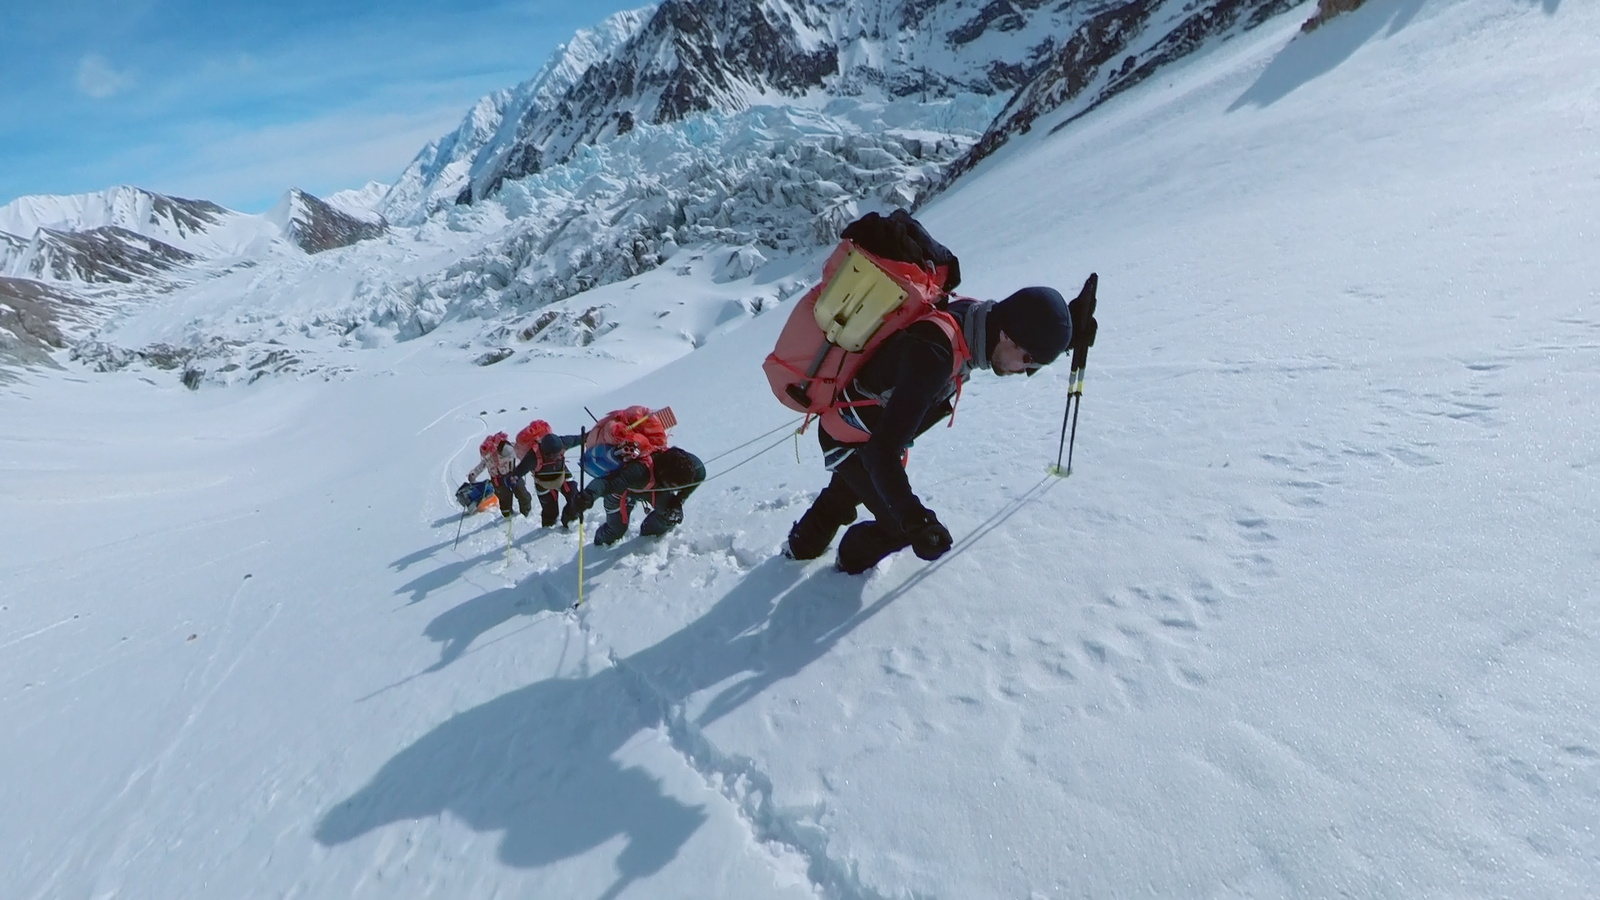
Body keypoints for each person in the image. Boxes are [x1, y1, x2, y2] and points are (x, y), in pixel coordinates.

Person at [783, 277, 1099, 574]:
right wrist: (915, 521)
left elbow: (1023, 328)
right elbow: (880, 454)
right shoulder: (933, 356)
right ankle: (843, 569)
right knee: (894, 524)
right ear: (1007, 335)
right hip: (853, 438)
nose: (1025, 370)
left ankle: (799, 549)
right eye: (1029, 360)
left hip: (870, 428)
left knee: (847, 489)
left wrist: (1061, 334)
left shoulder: (978, 318)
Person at [559, 406, 707, 545]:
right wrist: (588, 496)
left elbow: (700, 474)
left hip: (650, 489)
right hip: (620, 493)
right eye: (674, 487)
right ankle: (600, 542)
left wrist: (678, 500)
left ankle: (646, 538)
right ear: (664, 476)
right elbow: (607, 483)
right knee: (616, 531)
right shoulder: (639, 471)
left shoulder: (686, 464)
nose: (676, 489)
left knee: (671, 514)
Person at [509, 419, 583, 527]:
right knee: (550, 511)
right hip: (544, 483)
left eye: (558, 454)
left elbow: (578, 439)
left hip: (561, 476)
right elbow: (521, 469)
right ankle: (548, 529)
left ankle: (570, 520)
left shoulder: (563, 443)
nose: (556, 456)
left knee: (575, 498)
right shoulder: (533, 456)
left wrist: (591, 435)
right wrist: (515, 477)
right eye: (553, 455)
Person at [462, 432, 531, 519]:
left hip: (514, 475)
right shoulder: (489, 456)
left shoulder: (510, 448)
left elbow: (522, 451)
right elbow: (481, 466)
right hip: (499, 481)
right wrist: (473, 474)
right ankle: (508, 516)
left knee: (523, 495)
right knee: (505, 501)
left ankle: (525, 514)